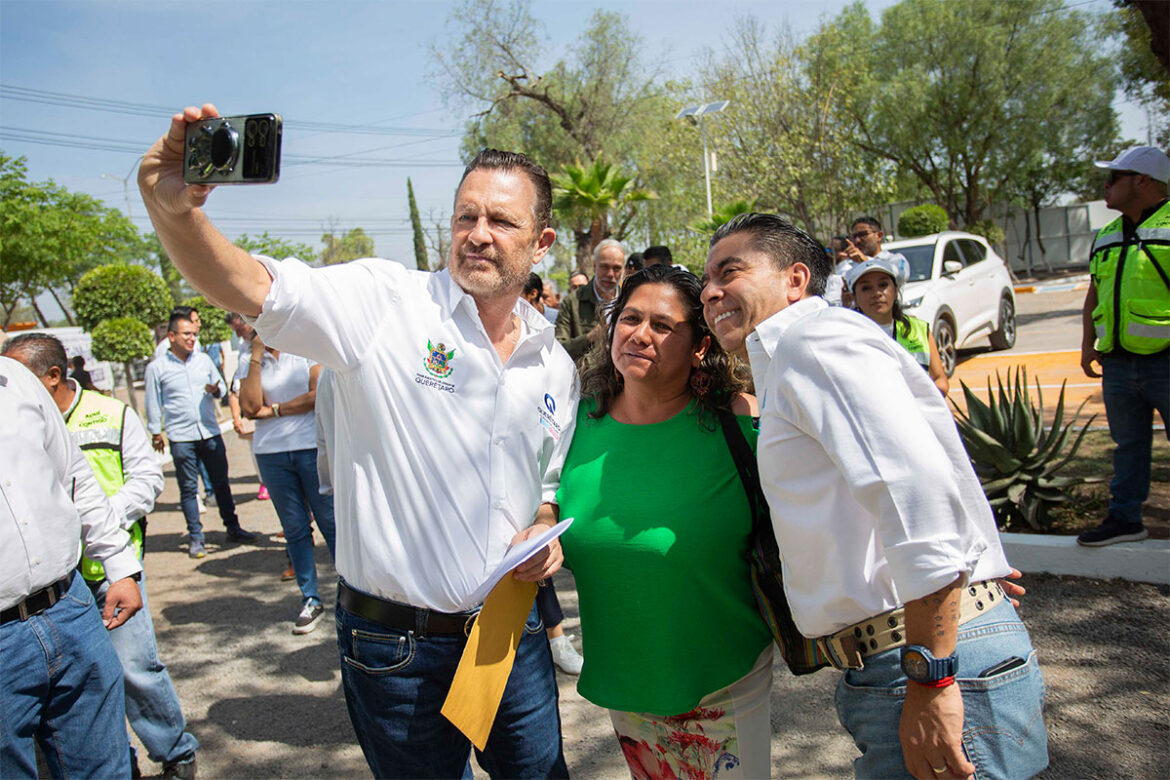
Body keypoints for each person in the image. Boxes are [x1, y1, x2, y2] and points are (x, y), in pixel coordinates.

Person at [138, 103, 574, 779]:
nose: (478, 234)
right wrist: (174, 210)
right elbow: (251, 285)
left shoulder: (556, 365)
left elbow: (544, 490)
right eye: (466, 216)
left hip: (507, 639)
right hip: (393, 648)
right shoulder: (384, 304)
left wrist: (543, 533)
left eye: (501, 221)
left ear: (541, 243)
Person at [701, 213, 1047, 780]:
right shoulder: (798, 354)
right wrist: (975, 566)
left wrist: (932, 676)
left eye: (730, 271)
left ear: (795, 279)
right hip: (907, 658)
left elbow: (917, 492)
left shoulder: (814, 340)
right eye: (707, 278)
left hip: (925, 661)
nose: (711, 290)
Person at [557, 264, 773, 778]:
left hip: (722, 681)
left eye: (663, 325)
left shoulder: (744, 426)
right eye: (629, 318)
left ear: (700, 346)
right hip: (628, 684)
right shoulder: (571, 425)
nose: (640, 334)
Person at [2, 334, 199, 779]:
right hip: (22, 620)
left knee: (134, 669)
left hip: (79, 592)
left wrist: (119, 562)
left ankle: (174, 751)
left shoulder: (93, 408)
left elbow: (88, 481)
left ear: (52, 376)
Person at [0, 354, 143, 779]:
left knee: (104, 769)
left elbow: (73, 475)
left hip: (71, 608)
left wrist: (119, 564)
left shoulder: (17, 380)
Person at [1078, 145, 1170, 547]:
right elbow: (1094, 293)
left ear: (1143, 181)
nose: (1106, 186)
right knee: (1128, 444)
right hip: (1117, 363)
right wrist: (1087, 345)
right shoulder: (1107, 235)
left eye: (1114, 178)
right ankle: (1125, 518)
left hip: (1165, 362)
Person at [238, 330, 336, 634]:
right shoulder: (249, 358)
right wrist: (256, 356)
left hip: (310, 446)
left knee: (331, 521)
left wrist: (276, 409)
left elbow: (317, 394)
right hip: (271, 453)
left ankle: (352, 591)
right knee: (294, 528)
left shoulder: (303, 345)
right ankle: (311, 598)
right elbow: (250, 407)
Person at [145, 310, 256, 558]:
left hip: (209, 432)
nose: (192, 339)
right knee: (188, 489)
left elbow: (220, 390)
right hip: (181, 436)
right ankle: (196, 537)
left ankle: (233, 527)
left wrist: (215, 390)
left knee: (221, 484)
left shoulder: (204, 360)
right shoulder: (157, 368)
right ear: (171, 336)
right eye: (187, 334)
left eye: (194, 334)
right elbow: (153, 401)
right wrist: (155, 432)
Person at [846, 258, 949, 396]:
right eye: (866, 288)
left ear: (895, 291)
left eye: (883, 285)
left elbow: (940, 379)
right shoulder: (848, 336)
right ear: (855, 298)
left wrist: (926, 401)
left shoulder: (918, 329)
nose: (877, 293)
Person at [224, 312, 270, 502]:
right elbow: (237, 388)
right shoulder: (246, 352)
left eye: (239, 329)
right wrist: (237, 416)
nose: (238, 335)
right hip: (260, 416)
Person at [556, 238, 626, 361]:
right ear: (594, 266)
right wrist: (588, 338)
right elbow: (557, 348)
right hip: (584, 377)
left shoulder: (629, 301)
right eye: (605, 267)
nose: (610, 274)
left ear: (623, 270)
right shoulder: (573, 302)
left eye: (616, 268)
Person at [842, 216, 911, 286]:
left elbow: (901, 277)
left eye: (862, 235)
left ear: (879, 236)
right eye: (854, 237)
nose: (857, 240)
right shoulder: (851, 269)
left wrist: (866, 262)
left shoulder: (895, 259)